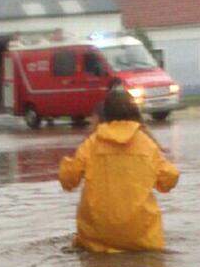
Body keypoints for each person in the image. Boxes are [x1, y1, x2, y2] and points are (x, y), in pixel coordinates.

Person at [58, 87, 180, 252]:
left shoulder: (92, 143)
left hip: (96, 235)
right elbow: (169, 179)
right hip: (142, 235)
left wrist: (66, 163)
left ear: (105, 114)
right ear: (133, 111)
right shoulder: (147, 144)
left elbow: (68, 181)